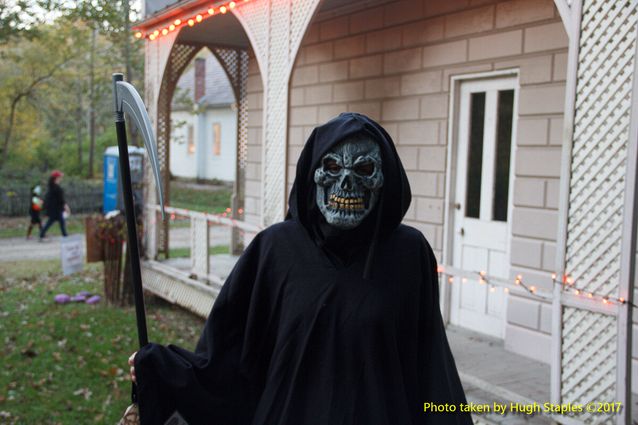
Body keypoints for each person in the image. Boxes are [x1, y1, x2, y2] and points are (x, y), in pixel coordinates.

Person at [128, 113, 472, 425]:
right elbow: (229, 363)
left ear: (385, 179)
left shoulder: (408, 253)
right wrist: (159, 369)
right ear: (313, 174)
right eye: (333, 168)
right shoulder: (274, 250)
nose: (346, 184)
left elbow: (430, 366)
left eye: (364, 170)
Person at [40, 170, 70, 241]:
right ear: (56, 178)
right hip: (55, 209)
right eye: (60, 177)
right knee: (52, 221)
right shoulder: (56, 188)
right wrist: (66, 207)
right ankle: (41, 235)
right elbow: (60, 199)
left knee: (60, 222)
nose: (61, 178)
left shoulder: (52, 187)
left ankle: (65, 235)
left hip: (54, 208)